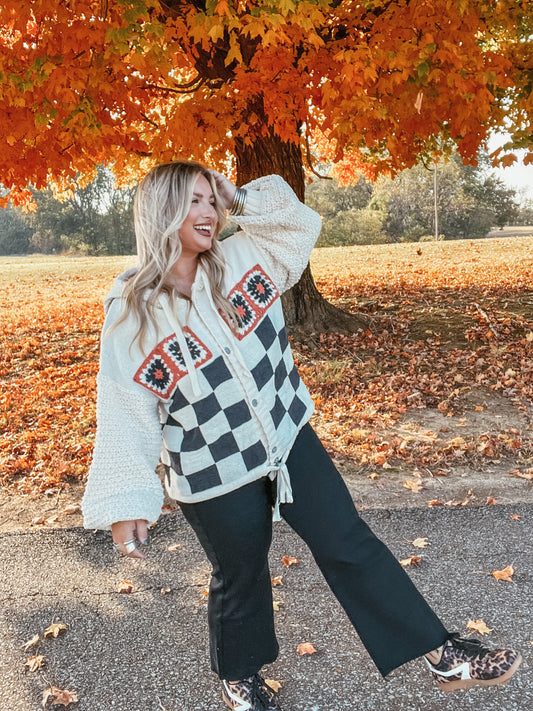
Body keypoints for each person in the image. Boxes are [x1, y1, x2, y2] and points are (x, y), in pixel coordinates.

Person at [82, 161, 521, 711]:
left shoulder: (245, 259)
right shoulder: (132, 314)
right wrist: (128, 502)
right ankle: (241, 679)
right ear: (160, 211)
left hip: (288, 440)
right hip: (213, 471)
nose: (208, 212)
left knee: (349, 542)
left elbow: (298, 225)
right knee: (240, 575)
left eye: (210, 200)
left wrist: (236, 195)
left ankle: (441, 653)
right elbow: (126, 410)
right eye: (193, 201)